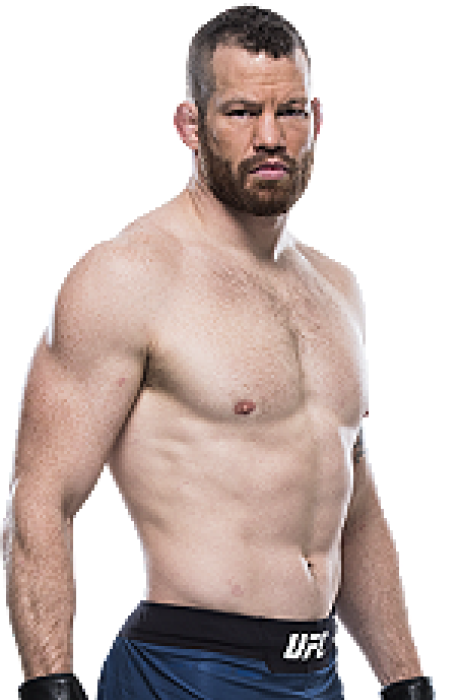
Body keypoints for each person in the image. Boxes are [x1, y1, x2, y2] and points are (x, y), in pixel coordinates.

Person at [6, 4, 433, 699]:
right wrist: (49, 683)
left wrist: (405, 679)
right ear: (189, 124)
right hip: (186, 671)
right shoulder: (129, 275)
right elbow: (42, 497)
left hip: (322, 671)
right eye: (240, 112)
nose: (270, 137)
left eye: (289, 111)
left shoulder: (334, 289)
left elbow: (352, 508)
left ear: (315, 120)